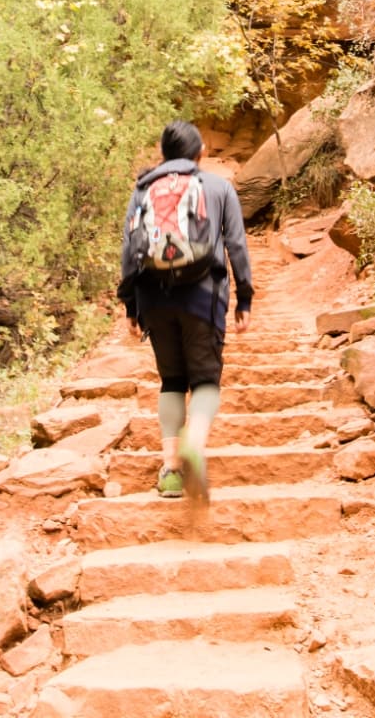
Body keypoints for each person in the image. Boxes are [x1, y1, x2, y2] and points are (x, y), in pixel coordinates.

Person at [118, 120, 254, 503]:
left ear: (163, 155)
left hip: (154, 299)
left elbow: (129, 249)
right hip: (203, 296)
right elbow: (237, 246)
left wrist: (130, 304)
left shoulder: (144, 188)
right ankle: (195, 443)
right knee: (206, 381)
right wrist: (244, 297)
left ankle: (172, 470)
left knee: (172, 381)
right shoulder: (218, 187)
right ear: (201, 153)